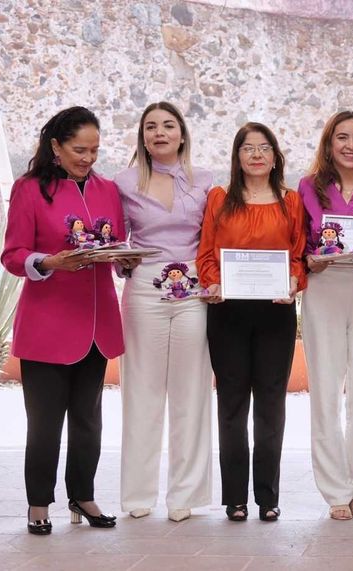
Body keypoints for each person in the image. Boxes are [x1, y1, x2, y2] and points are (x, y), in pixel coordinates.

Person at [1, 106, 138, 534]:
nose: (88, 158)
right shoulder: (28, 190)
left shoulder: (108, 189)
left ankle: (84, 496)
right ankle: (38, 504)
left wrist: (125, 259)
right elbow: (13, 255)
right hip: (47, 326)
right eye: (80, 149)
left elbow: (112, 247)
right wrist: (49, 261)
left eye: (95, 150)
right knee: (44, 424)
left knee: (88, 421)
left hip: (96, 325)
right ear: (55, 147)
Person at [196, 123, 307, 522]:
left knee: (271, 406)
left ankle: (268, 496)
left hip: (275, 311)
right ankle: (234, 498)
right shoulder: (219, 198)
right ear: (237, 155)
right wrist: (212, 282)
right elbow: (206, 250)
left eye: (264, 148)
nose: (256, 155)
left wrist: (295, 280)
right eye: (248, 148)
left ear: (275, 156)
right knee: (231, 404)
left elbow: (298, 253)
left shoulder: (290, 200)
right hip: (227, 311)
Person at [114, 102, 214, 523]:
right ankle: (137, 494)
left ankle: (184, 496)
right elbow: (115, 240)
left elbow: (213, 239)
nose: (159, 132)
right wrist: (121, 260)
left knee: (191, 392)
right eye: (151, 126)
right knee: (142, 393)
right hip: (144, 291)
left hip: (194, 291)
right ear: (142, 135)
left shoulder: (207, 182)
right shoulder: (120, 182)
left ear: (182, 134)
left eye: (168, 125)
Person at [299, 111, 353, 521]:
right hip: (325, 291)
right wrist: (309, 262)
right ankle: (334, 489)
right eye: (342, 137)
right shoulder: (307, 188)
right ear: (329, 143)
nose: (350, 145)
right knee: (326, 393)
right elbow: (298, 245)